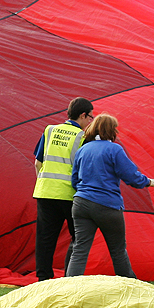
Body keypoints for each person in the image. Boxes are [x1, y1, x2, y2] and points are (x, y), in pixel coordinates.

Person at [65, 114, 154, 278]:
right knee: (117, 250)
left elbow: (74, 179)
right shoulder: (114, 149)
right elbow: (130, 176)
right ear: (111, 130)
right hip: (107, 205)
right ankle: (130, 286)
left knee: (80, 249)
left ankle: (68, 289)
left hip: (81, 204)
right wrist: (148, 182)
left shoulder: (83, 150)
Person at [32, 96, 94, 281]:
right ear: (83, 115)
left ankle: (43, 280)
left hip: (45, 192)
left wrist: (43, 182)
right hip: (70, 195)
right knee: (78, 239)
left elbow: (37, 162)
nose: (91, 121)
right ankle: (70, 278)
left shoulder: (49, 130)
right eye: (90, 117)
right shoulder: (83, 137)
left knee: (45, 240)